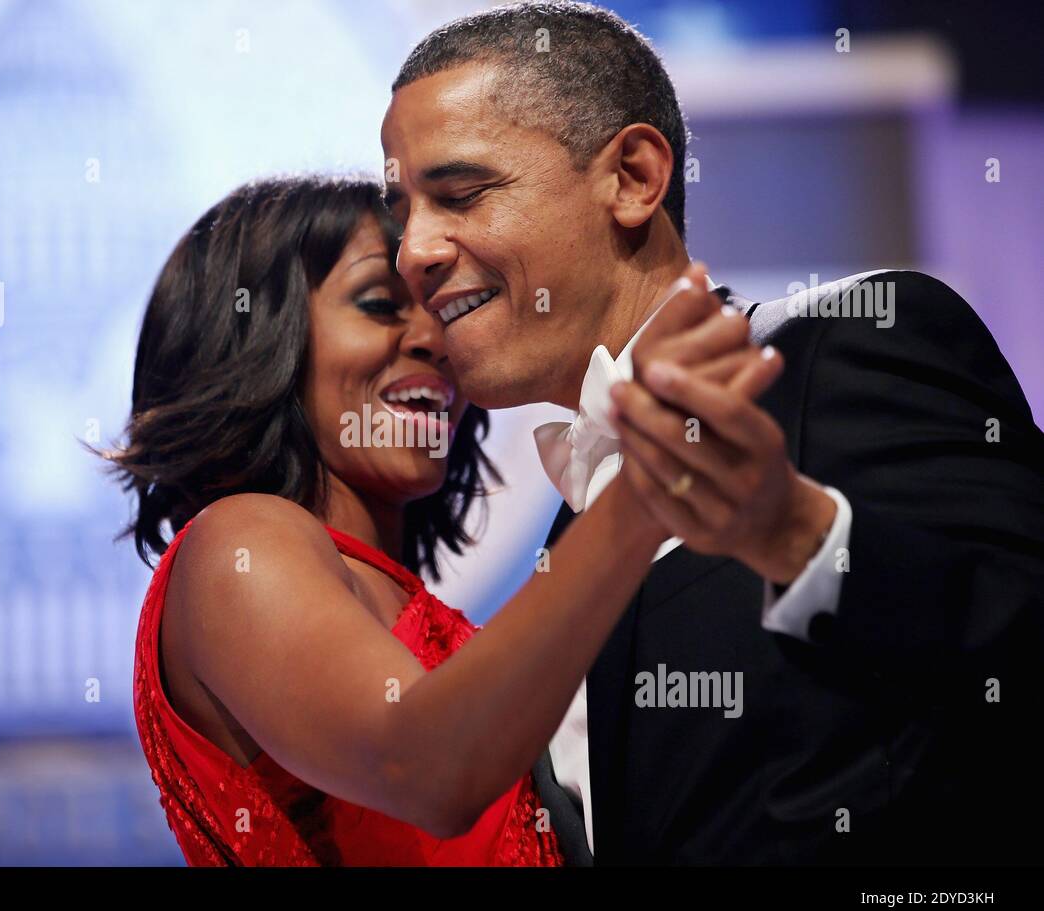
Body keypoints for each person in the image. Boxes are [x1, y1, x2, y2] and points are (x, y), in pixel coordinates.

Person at [382, 1, 1044, 864]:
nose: (413, 253)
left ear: (633, 177)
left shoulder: (843, 349)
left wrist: (801, 536)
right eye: (402, 215)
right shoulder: (577, 541)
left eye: (461, 195)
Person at [101, 175, 774, 865]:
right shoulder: (235, 544)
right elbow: (426, 770)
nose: (435, 339)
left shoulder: (399, 602)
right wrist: (640, 492)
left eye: (443, 310)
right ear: (252, 342)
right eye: (379, 305)